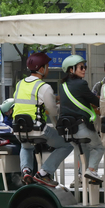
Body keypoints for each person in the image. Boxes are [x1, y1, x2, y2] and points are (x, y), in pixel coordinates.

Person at [13, 52, 74, 187]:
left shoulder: (20, 84)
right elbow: (52, 110)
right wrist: (60, 106)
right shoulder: (44, 87)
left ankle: (26, 170)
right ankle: (44, 172)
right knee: (67, 144)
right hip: (38, 130)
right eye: (47, 66)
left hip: (19, 130)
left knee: (26, 145)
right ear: (41, 69)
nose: (48, 68)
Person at [58, 55, 105, 183]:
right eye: (81, 67)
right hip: (81, 127)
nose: (84, 69)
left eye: (84, 67)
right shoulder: (81, 83)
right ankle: (91, 170)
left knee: (84, 149)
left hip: (68, 129)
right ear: (71, 70)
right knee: (99, 147)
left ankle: (82, 176)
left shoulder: (62, 85)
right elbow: (95, 100)